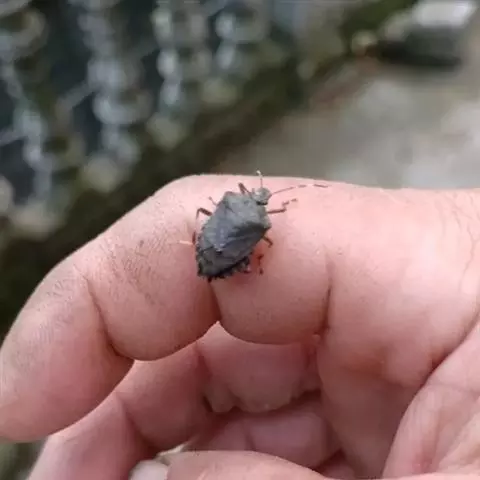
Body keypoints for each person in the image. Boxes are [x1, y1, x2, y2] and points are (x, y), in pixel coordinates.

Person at [0, 174, 479, 480]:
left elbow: (221, 222)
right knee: (247, 260)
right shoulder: (261, 226)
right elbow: (256, 248)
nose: (263, 197)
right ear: (256, 199)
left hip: (211, 243)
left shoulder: (233, 206)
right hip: (224, 253)